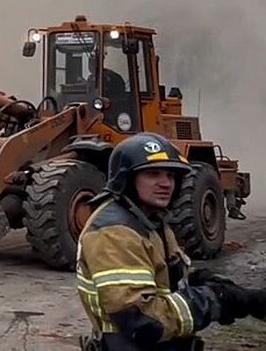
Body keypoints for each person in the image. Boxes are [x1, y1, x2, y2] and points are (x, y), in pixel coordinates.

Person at [75, 132, 266, 349]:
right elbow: (142, 320)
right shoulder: (113, 233)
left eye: (170, 175)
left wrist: (212, 283)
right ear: (126, 178)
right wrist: (214, 300)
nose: (165, 183)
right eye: (153, 174)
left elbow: (169, 279)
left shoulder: (150, 221)